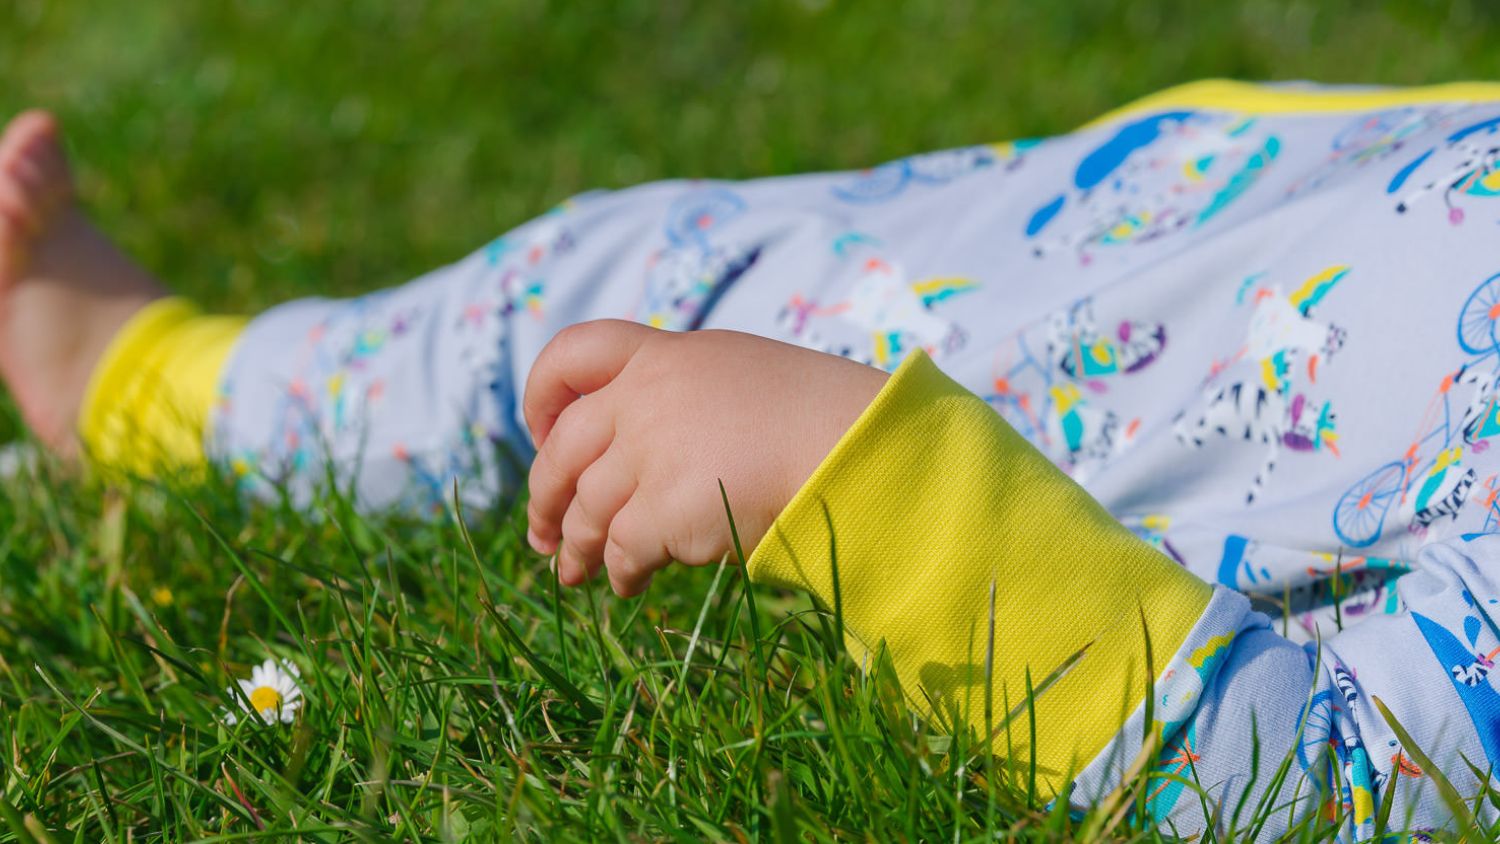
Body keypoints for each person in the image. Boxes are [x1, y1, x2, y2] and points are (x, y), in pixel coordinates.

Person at [6, 80, 1500, 837]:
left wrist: (850, 475)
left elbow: (1330, 788)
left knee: (579, 310)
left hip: (1027, 405)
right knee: (635, 267)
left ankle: (147, 394)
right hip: (1182, 219)